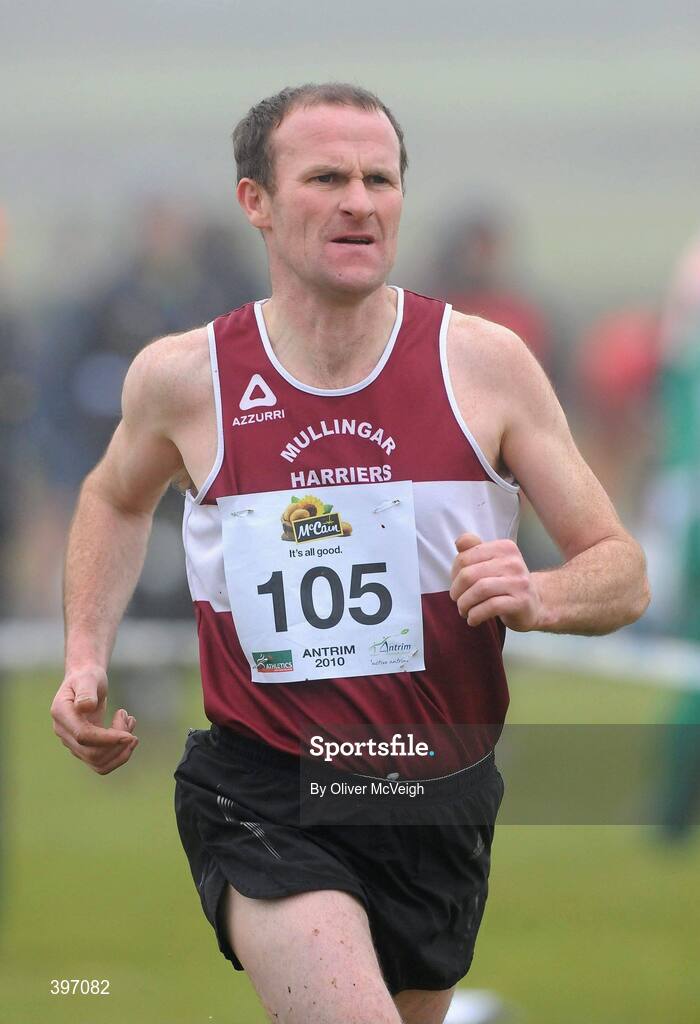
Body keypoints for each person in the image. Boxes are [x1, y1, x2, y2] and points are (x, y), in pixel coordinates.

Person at [50, 83, 650, 1024]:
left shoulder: (482, 363)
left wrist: (540, 592)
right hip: (265, 787)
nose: (359, 201)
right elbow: (111, 498)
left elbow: (622, 569)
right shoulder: (186, 378)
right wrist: (86, 655)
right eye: (326, 177)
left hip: (438, 786)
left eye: (380, 178)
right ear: (255, 201)